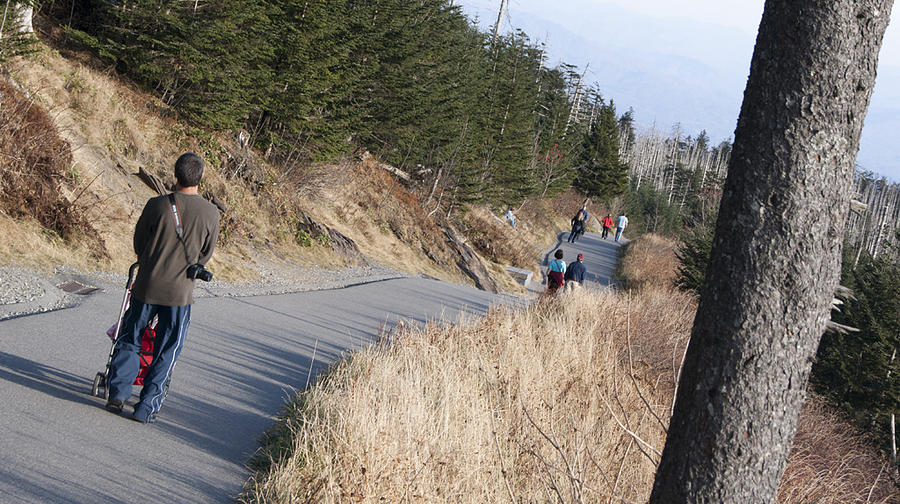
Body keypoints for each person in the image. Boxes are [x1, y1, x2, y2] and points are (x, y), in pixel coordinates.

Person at [105, 153, 220, 423]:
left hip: (147, 285)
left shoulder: (156, 205)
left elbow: (139, 243)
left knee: (131, 337)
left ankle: (118, 393)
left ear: (175, 174)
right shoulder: (210, 213)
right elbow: (206, 253)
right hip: (180, 293)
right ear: (200, 177)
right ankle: (146, 405)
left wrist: (151, 259)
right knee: (167, 348)